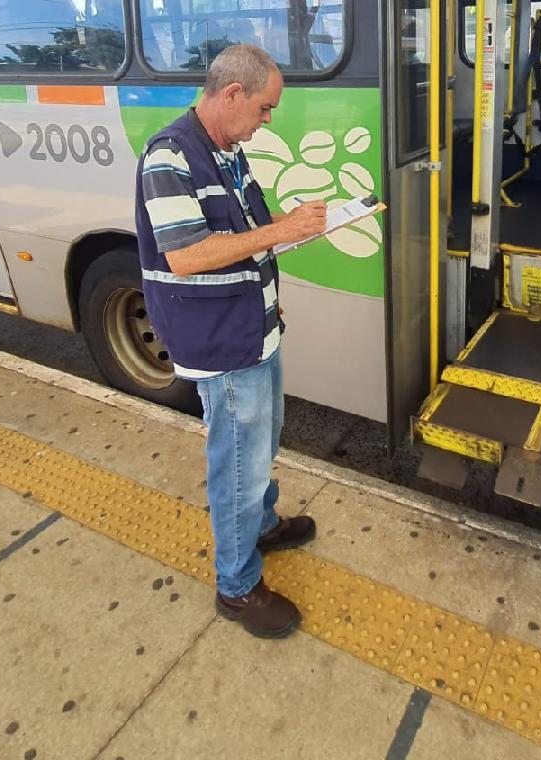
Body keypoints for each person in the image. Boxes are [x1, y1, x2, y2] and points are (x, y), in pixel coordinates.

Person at [135, 44, 327, 639]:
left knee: (260, 444)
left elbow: (244, 238)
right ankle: (237, 588)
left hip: (254, 330)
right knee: (238, 464)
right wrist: (282, 229)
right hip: (222, 341)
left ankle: (261, 527)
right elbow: (187, 254)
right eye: (265, 109)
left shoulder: (227, 150)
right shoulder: (170, 155)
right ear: (233, 95)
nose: (267, 121)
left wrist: (284, 233)